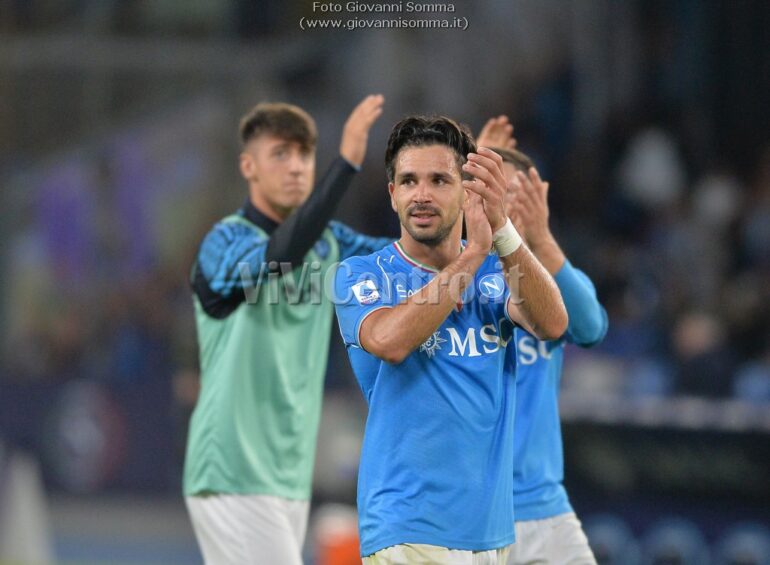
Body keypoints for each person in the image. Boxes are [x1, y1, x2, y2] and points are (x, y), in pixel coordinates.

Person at [334, 115, 568, 564]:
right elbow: (389, 340)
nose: (421, 194)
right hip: (408, 528)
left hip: (490, 535)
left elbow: (553, 324)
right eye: (408, 181)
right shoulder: (362, 274)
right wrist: (473, 255)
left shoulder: (498, 275)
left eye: (440, 180)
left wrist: (501, 231)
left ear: (467, 191)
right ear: (392, 194)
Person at [183, 95, 392, 565]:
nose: (296, 167)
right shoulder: (225, 243)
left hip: (288, 477)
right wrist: (347, 166)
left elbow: (407, 258)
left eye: (304, 155)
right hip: (232, 473)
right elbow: (281, 255)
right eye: (281, 154)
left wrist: (469, 209)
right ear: (249, 166)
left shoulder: (333, 242)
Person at [478, 121, 608, 565]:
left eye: (518, 192)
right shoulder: (454, 275)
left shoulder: (549, 284)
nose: (508, 201)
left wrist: (542, 240)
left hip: (544, 504)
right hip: (475, 509)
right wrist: (470, 172)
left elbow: (590, 327)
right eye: (497, 190)